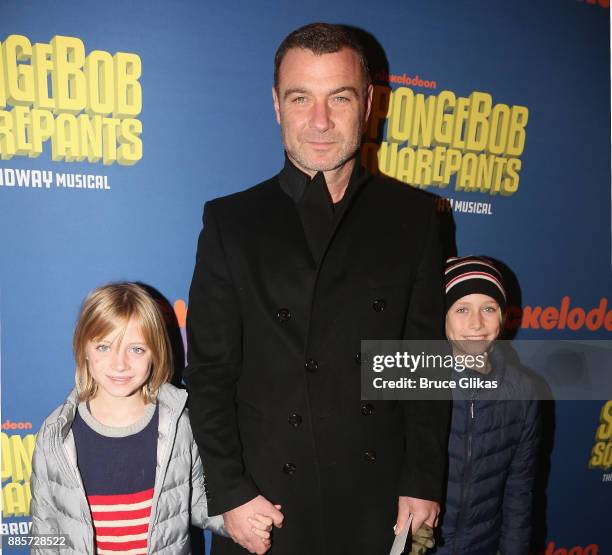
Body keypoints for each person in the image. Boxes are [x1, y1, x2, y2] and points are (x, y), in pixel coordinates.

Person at [185, 23, 450, 555]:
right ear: (278, 106)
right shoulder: (231, 222)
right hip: (267, 508)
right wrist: (230, 493)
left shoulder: (417, 218)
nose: (321, 121)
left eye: (340, 98)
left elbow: (425, 364)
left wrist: (423, 480)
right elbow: (209, 374)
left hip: (377, 504)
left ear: (370, 102)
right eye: (301, 98)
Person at [30, 282, 273, 554]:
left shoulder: (178, 424)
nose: (120, 364)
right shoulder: (56, 436)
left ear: (155, 352)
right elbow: (45, 529)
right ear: (83, 349)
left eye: (136, 349)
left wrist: (245, 519)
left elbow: (196, 502)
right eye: (104, 347)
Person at [432, 256, 541, 555]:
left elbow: (519, 492)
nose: (476, 323)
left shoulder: (523, 392)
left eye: (489, 308)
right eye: (462, 309)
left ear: (503, 316)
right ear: (441, 316)